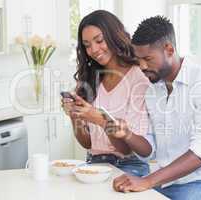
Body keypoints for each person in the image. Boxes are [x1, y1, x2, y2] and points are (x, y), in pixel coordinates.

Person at [110, 16, 201, 200]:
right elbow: (150, 150)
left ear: (169, 49)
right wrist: (127, 134)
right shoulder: (153, 90)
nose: (142, 66)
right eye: (138, 60)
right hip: (165, 182)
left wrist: (147, 181)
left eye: (148, 59)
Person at [61, 10, 150, 177]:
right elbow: (88, 143)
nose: (93, 50)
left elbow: (127, 149)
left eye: (99, 41)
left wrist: (99, 120)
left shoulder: (139, 80)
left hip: (130, 164)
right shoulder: (90, 80)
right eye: (87, 45)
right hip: (95, 163)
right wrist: (75, 116)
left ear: (114, 36)